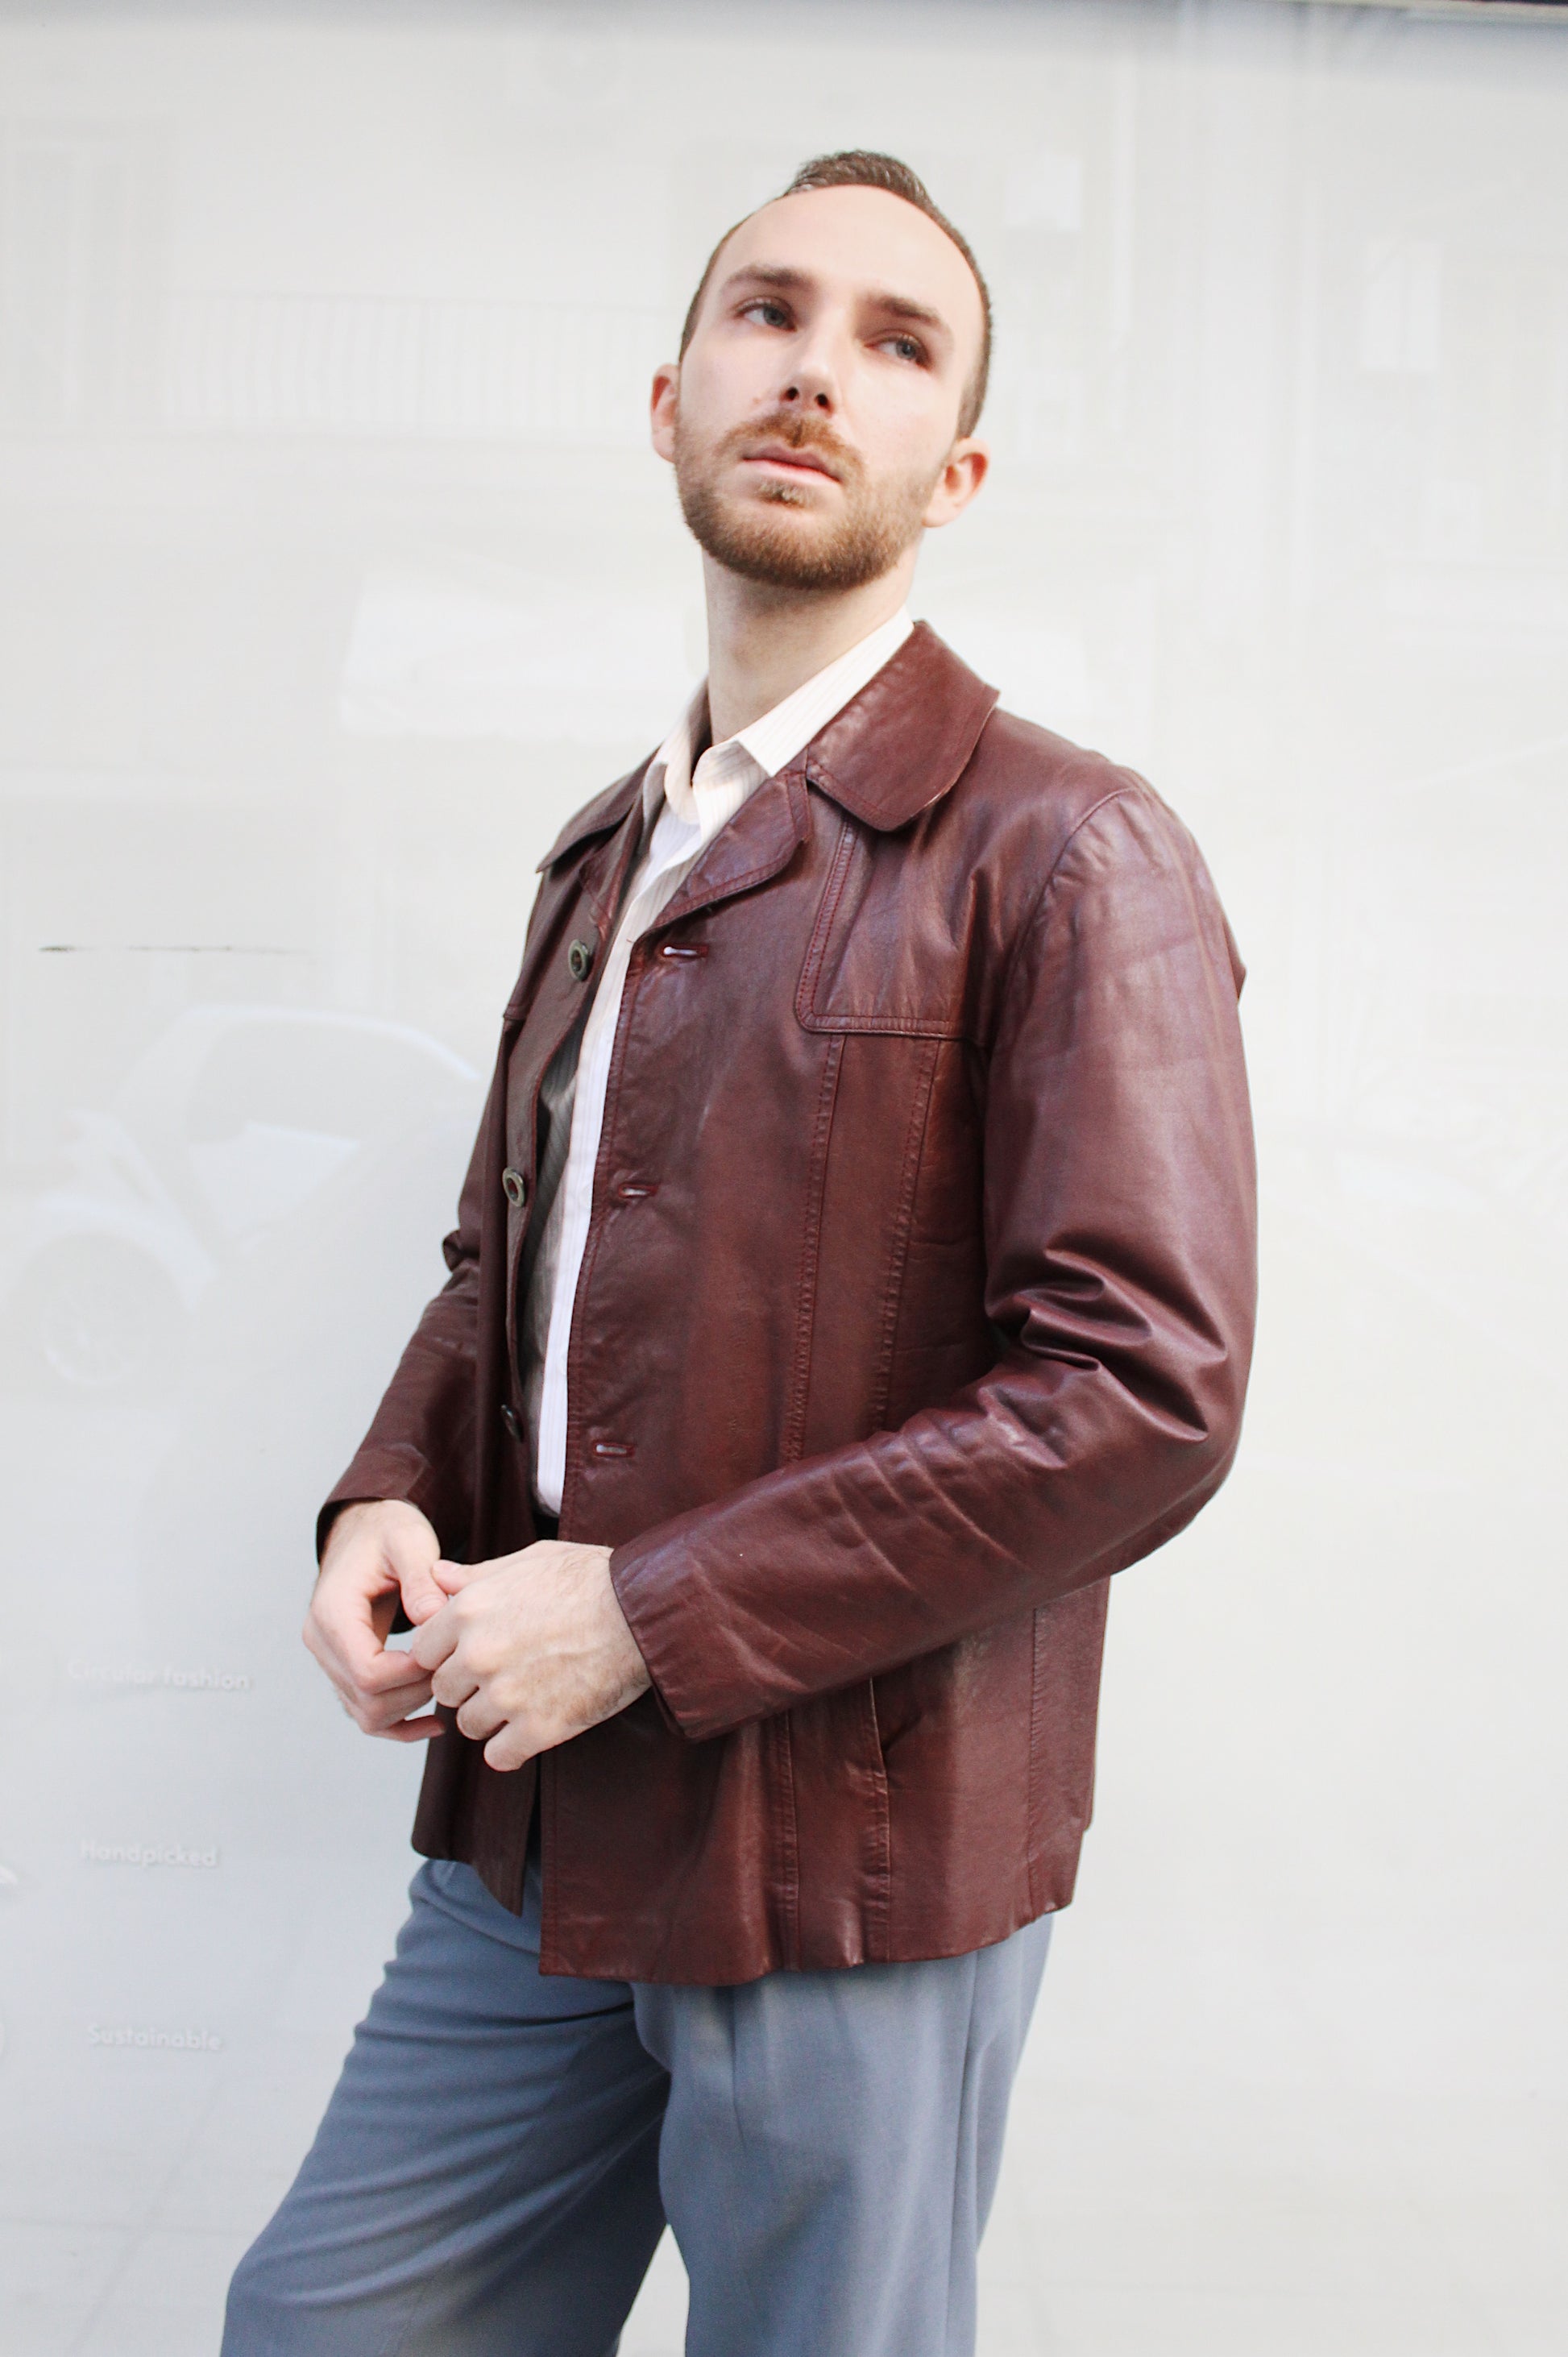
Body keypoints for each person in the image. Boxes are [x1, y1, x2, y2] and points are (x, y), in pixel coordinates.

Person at [223, 151, 1256, 2357]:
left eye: (896, 342)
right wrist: (390, 1487)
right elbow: (501, 1263)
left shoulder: (1071, 849)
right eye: (766, 314)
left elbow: (1139, 1394)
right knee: (322, 2325)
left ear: (956, 468)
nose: (814, 372)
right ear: (668, 395)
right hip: (539, 1818)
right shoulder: (604, 853)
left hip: (851, 1860)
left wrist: (644, 1612)